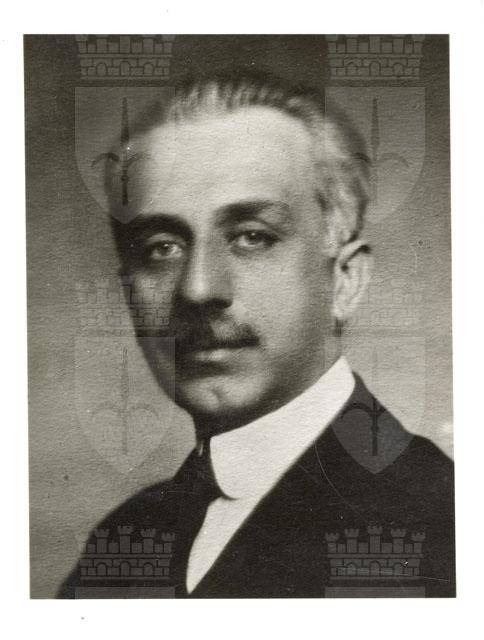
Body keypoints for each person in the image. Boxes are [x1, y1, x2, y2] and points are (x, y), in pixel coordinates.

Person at [58, 69, 455, 598]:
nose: (198, 289)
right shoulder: (124, 538)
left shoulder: (446, 526)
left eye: (252, 237)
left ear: (345, 280)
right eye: (162, 248)